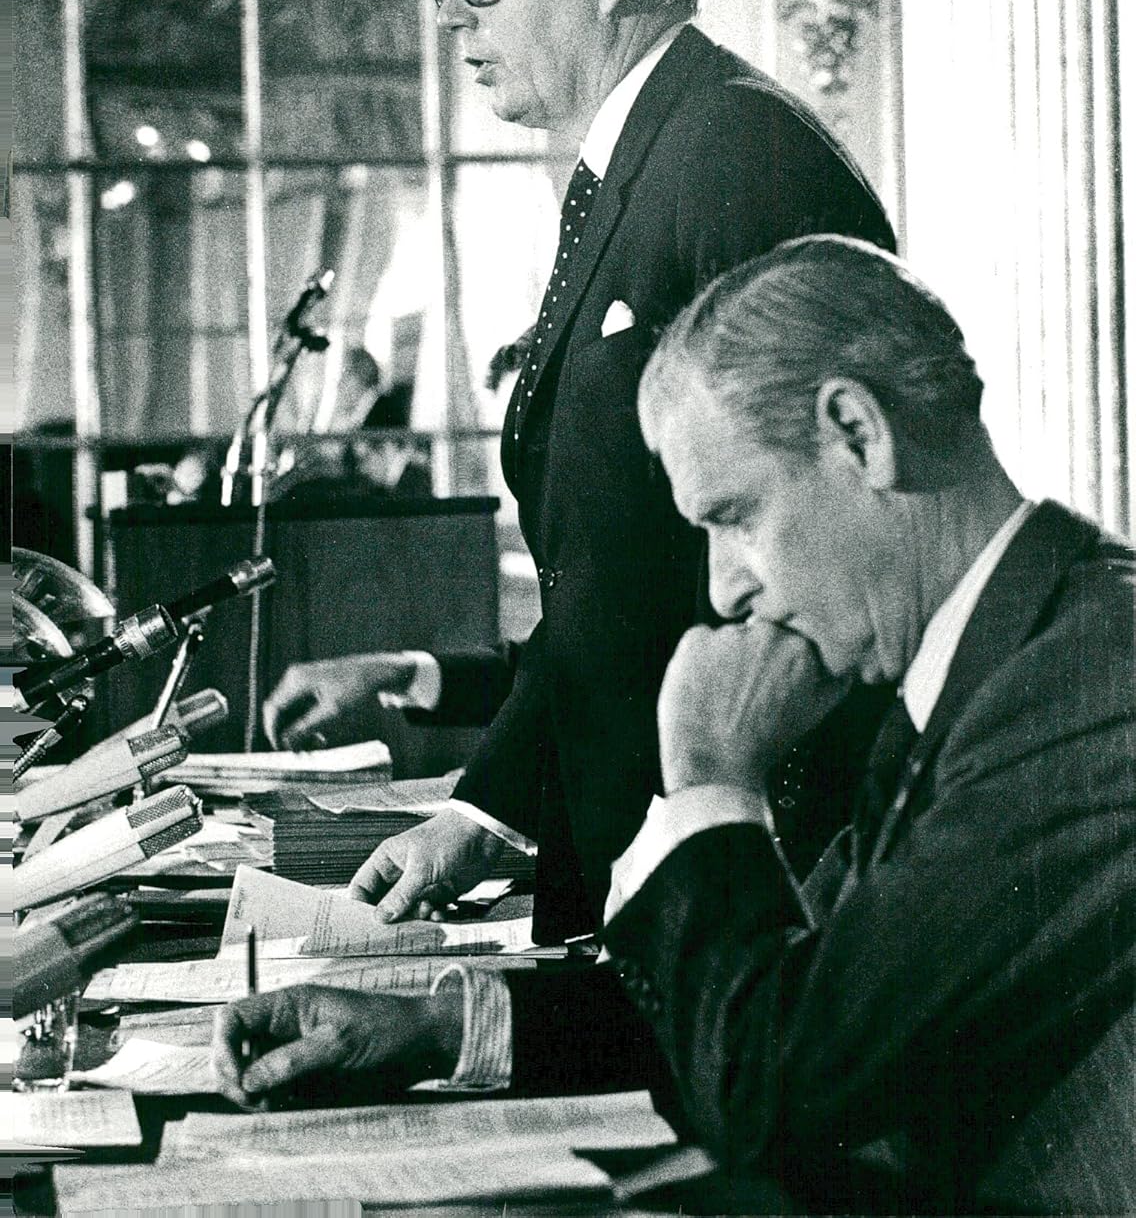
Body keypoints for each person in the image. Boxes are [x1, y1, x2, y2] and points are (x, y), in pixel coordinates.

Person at [217, 239, 1134, 1215]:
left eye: (733, 516)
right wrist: (443, 1027)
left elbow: (772, 1084)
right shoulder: (990, 654)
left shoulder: (1089, 678)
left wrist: (709, 779)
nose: (722, 585)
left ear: (857, 434)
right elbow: (769, 997)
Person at [264, 0, 894, 943]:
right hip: (635, 845)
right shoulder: (648, 155)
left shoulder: (737, 159)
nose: (452, 13)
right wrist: (484, 811)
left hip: (738, 870)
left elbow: (791, 576)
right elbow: (619, 569)